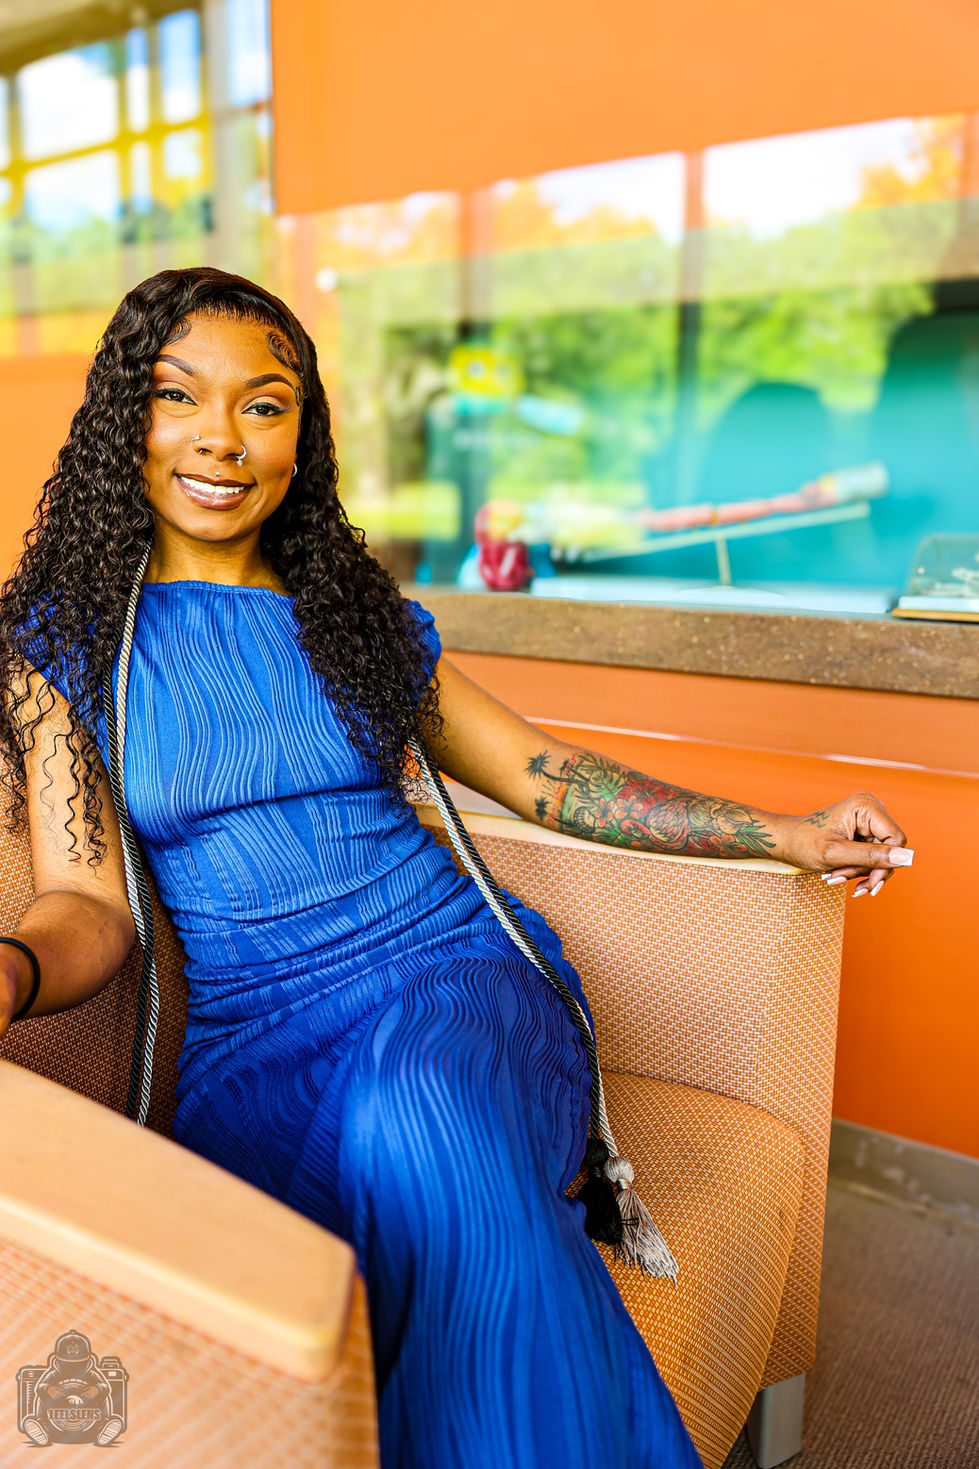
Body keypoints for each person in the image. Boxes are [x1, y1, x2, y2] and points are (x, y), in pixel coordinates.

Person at [0, 268, 912, 1469]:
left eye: (264, 405)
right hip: (255, 1043)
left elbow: (544, 776)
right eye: (181, 398)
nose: (221, 438)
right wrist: (13, 969)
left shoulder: (353, 615)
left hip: (457, 977)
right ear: (130, 418)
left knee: (413, 1110)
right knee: (375, 1162)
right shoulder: (62, 643)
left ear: (301, 435)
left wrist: (782, 832)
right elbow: (87, 903)